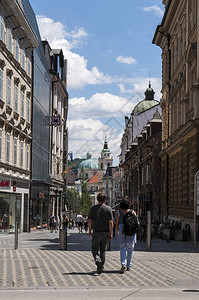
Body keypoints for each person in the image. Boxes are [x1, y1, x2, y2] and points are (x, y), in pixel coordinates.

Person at [88, 192, 113, 274]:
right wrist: (111, 232)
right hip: (105, 232)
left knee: (94, 249)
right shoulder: (108, 209)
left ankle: (97, 260)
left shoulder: (93, 209)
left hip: (96, 232)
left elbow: (90, 221)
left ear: (97, 199)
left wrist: (89, 231)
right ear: (105, 200)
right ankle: (101, 266)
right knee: (103, 250)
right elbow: (111, 222)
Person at [115, 199, 137, 274]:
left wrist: (117, 233)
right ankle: (129, 266)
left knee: (122, 249)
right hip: (131, 232)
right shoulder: (133, 212)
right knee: (130, 249)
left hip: (122, 231)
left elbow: (117, 223)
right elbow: (136, 222)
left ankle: (123, 264)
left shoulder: (118, 212)